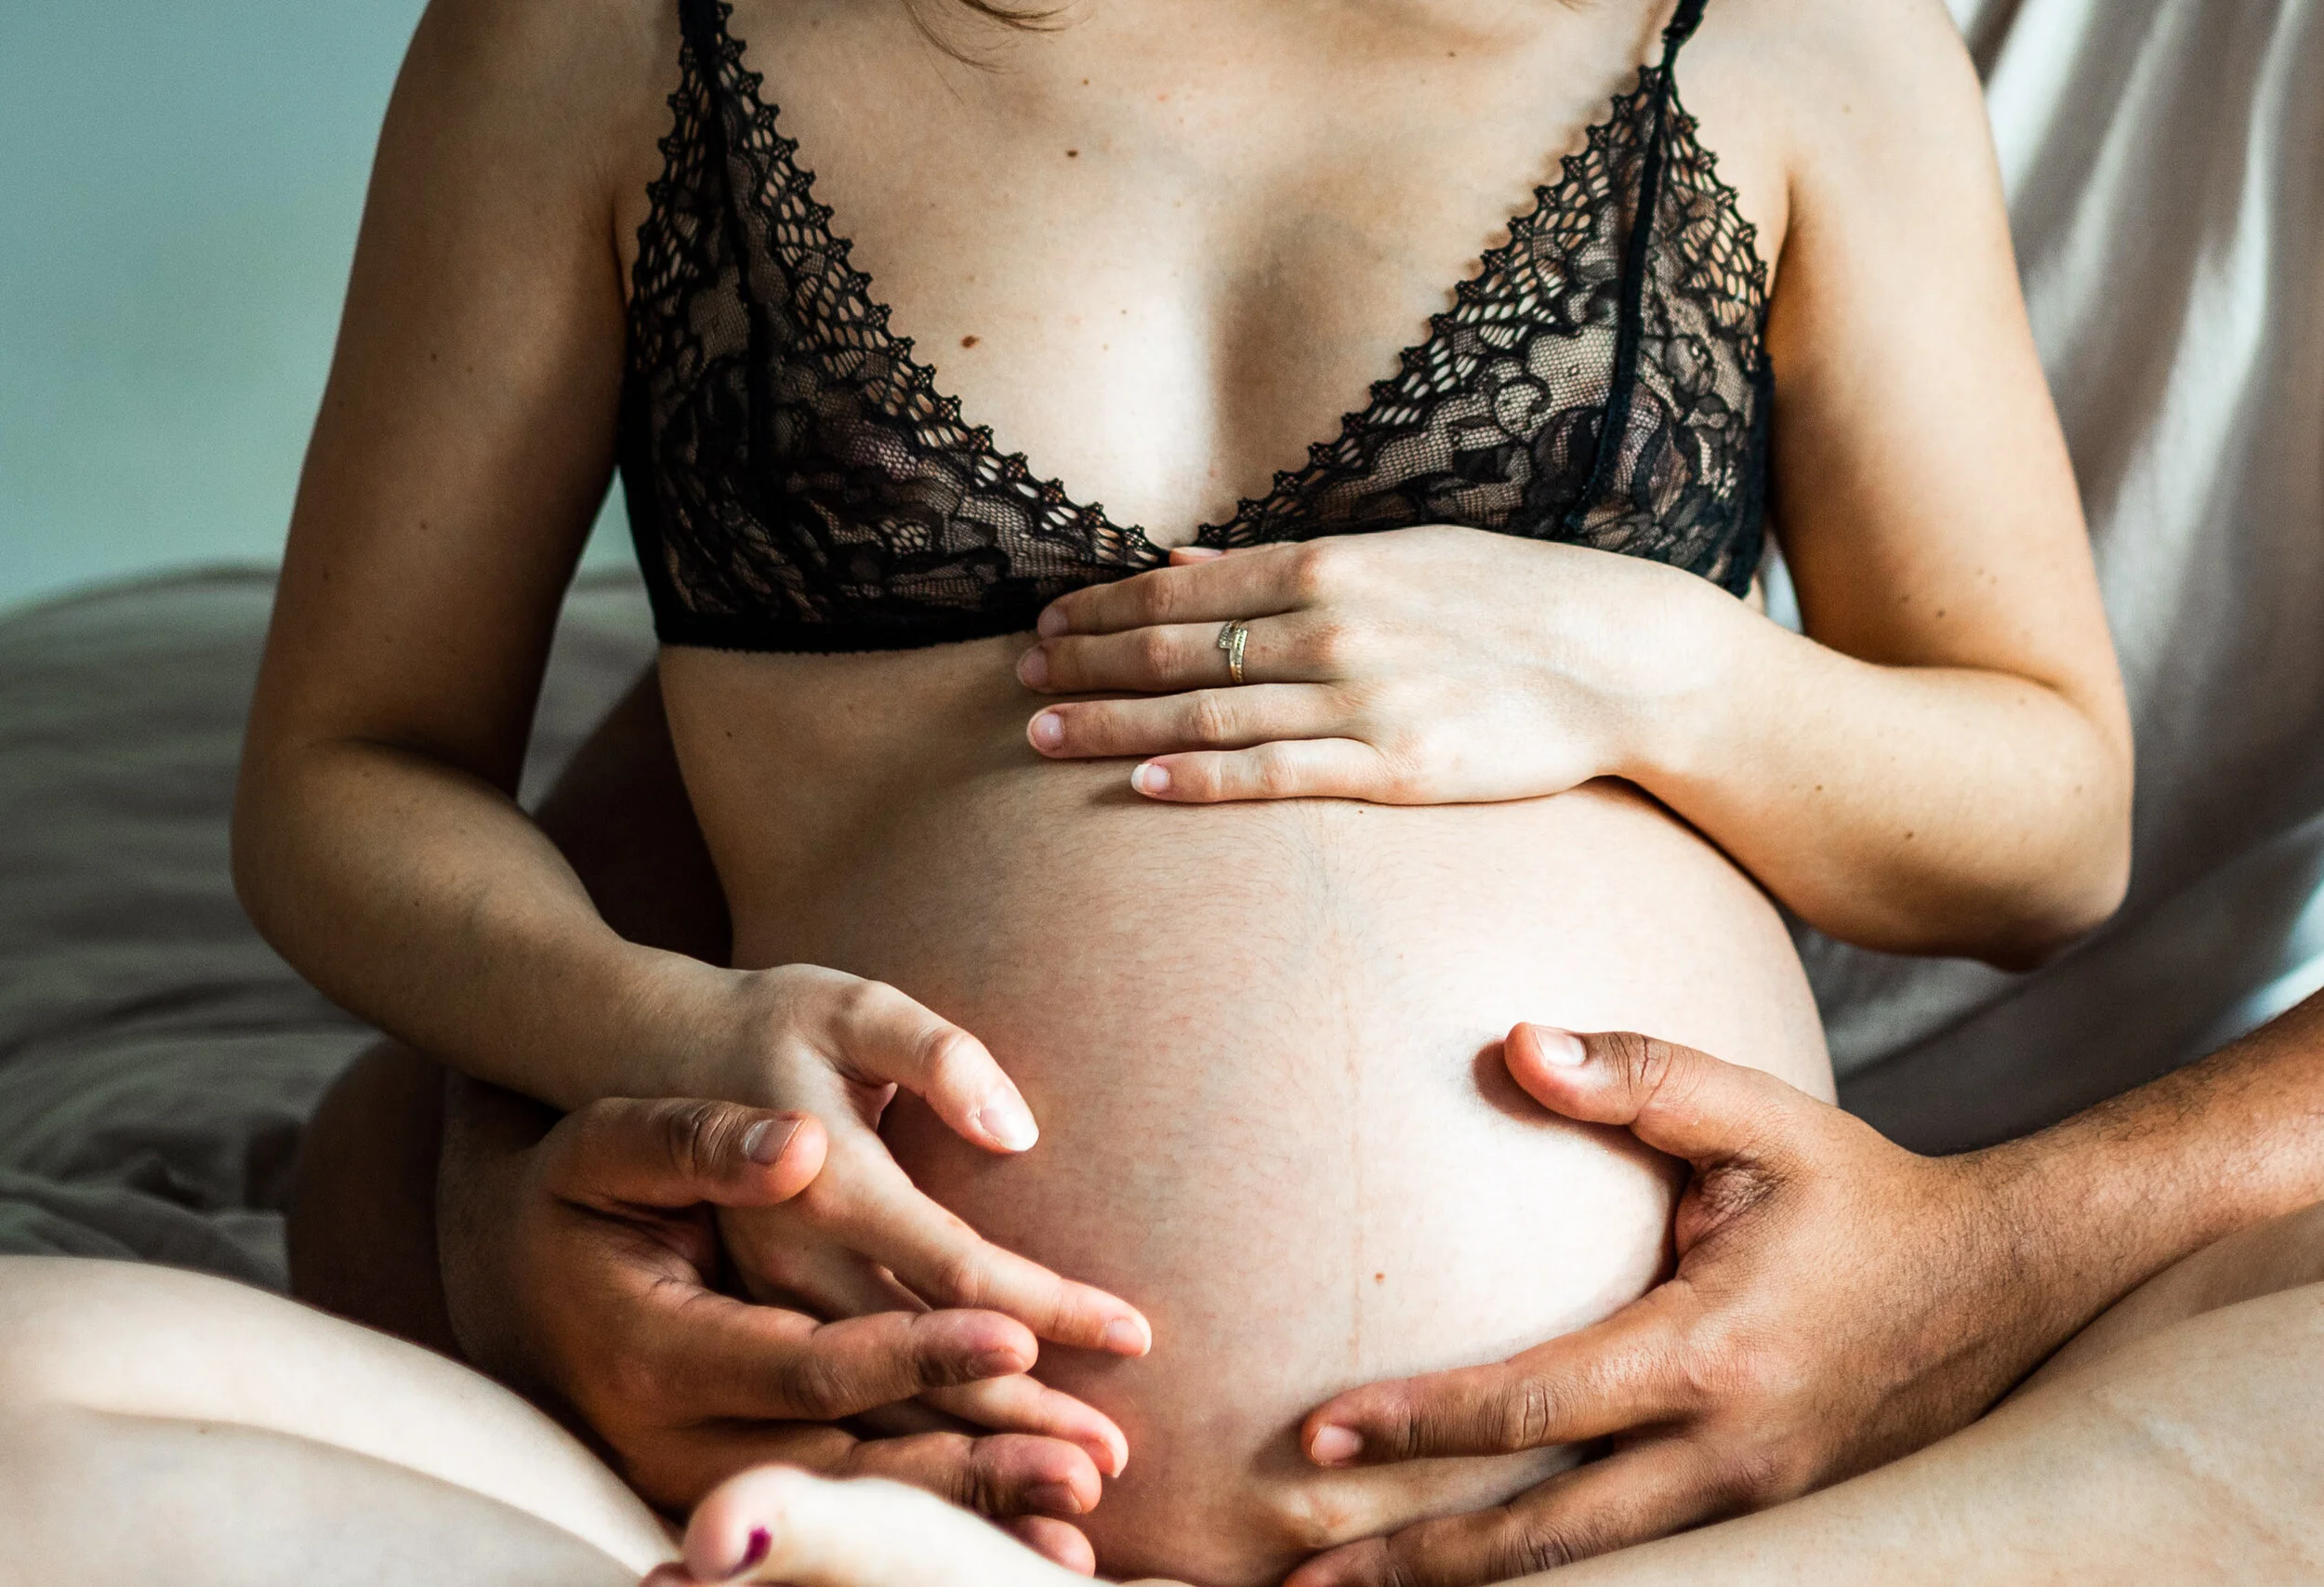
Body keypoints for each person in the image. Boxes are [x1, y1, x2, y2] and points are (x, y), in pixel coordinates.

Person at [24, 0, 2146, 1580]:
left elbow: (2041, 825)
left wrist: (1655, 666)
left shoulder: (1788, 45)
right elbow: (350, 775)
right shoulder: (603, 40)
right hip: (895, 1457)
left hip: (1685, 1506)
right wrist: (656, 1032)